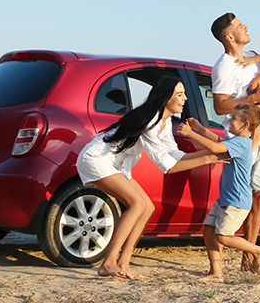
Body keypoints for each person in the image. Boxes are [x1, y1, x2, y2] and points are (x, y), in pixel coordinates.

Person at [77, 76, 225, 279]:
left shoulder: (165, 122)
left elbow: (176, 155)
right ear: (166, 98)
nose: (185, 99)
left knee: (147, 206)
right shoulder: (151, 121)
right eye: (179, 95)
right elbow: (168, 167)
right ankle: (108, 263)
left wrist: (214, 154)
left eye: (183, 94)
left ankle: (123, 263)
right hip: (97, 159)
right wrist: (208, 157)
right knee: (137, 204)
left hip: (114, 163)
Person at [210, 12, 260, 271]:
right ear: (229, 36)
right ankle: (218, 268)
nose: (245, 26)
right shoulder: (224, 66)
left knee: (258, 196)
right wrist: (252, 101)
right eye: (238, 25)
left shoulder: (256, 61)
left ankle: (249, 259)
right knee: (232, 200)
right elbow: (220, 106)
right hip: (240, 139)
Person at [178, 104, 260, 281]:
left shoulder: (242, 143)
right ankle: (216, 273)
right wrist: (201, 129)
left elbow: (214, 148)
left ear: (244, 125)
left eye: (233, 118)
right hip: (225, 199)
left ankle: (259, 250)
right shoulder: (237, 141)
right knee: (209, 230)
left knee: (223, 236)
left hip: (236, 201)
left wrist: (190, 133)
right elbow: (218, 142)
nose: (228, 120)